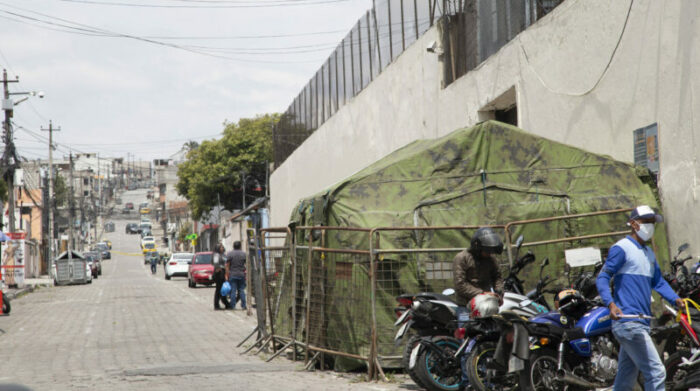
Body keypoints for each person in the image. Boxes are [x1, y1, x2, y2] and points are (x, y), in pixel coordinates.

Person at [596, 205, 684, 391]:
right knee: (657, 371)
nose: (651, 227)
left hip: (640, 321)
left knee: (626, 377)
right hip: (628, 321)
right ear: (634, 224)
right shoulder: (622, 248)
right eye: (647, 222)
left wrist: (676, 299)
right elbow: (603, 277)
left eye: (653, 223)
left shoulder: (649, 253)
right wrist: (610, 304)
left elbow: (658, 282)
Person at [452, 227, 505, 390]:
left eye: (490, 251)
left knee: (489, 343)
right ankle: (467, 381)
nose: (488, 254)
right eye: (486, 251)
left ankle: (487, 380)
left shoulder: (491, 260)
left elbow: (497, 277)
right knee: (468, 346)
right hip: (466, 307)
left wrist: (499, 293)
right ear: (477, 247)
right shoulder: (461, 258)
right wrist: (481, 293)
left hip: (487, 308)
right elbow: (460, 284)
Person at [225, 241, 247, 310]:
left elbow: (227, 265)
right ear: (240, 246)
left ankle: (233, 305)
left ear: (233, 246)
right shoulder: (244, 254)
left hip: (233, 274)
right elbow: (246, 264)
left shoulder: (230, 254)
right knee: (241, 290)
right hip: (241, 274)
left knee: (233, 291)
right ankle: (243, 305)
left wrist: (227, 274)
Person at [212, 243, 230, 310]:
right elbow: (216, 264)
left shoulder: (223, 255)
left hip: (223, 272)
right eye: (221, 247)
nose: (222, 248)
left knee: (222, 289)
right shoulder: (216, 255)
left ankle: (225, 303)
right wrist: (220, 269)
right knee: (219, 289)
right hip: (219, 274)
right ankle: (217, 305)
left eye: (222, 247)